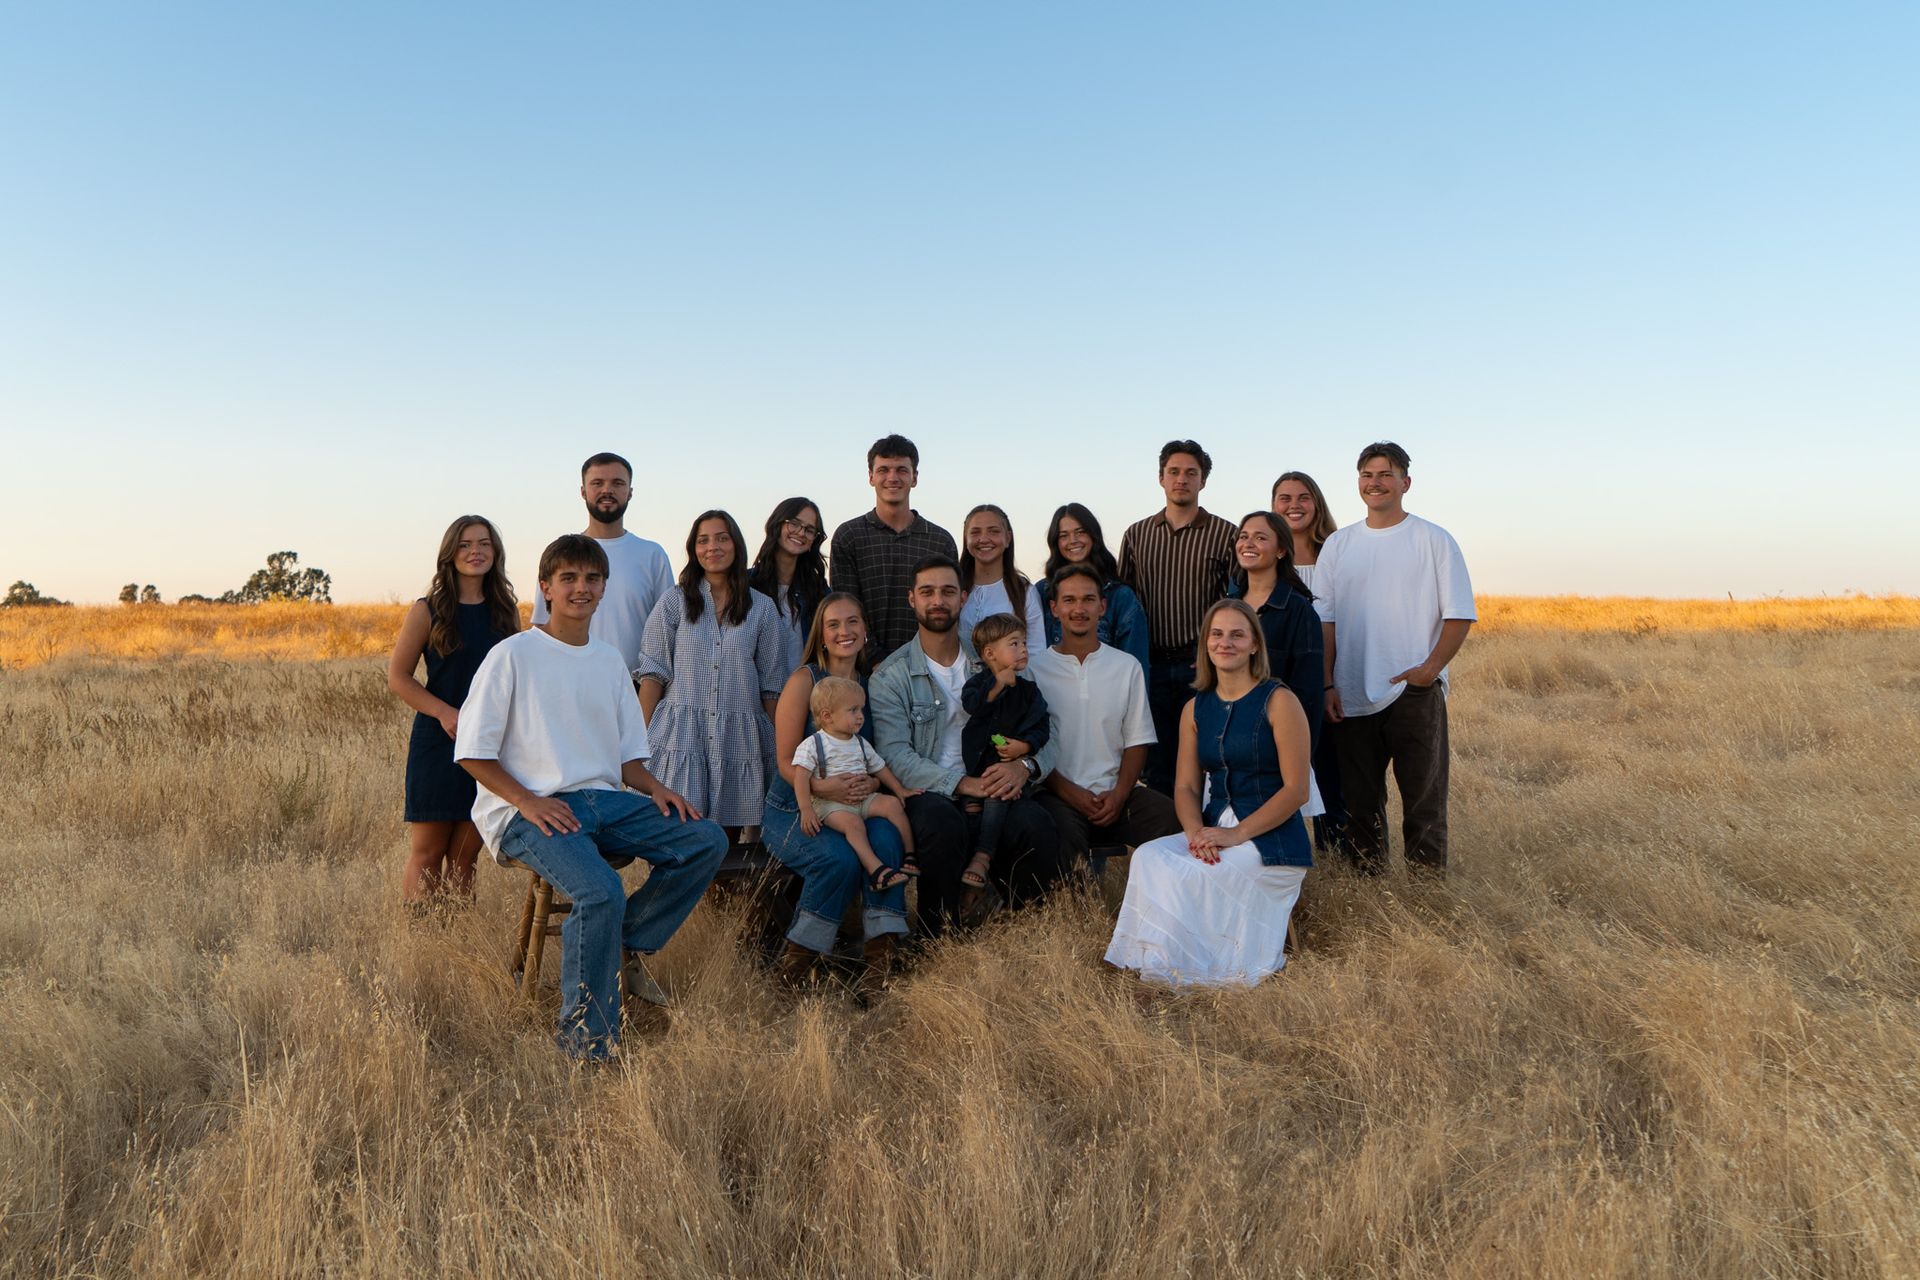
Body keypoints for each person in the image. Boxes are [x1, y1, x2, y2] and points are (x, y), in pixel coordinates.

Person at [455, 534, 727, 1059]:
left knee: (705, 839)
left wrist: (658, 789)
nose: (581, 588)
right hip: (527, 809)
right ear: (546, 588)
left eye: (592, 579)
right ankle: (587, 1042)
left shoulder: (608, 662)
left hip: (603, 802)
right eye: (569, 579)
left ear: (604, 588)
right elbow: (472, 753)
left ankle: (621, 941)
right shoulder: (512, 655)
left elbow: (627, 760)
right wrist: (527, 801)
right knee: (601, 890)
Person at [1105, 599, 1313, 988]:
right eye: (1216, 634)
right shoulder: (1195, 708)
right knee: (1149, 857)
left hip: (1271, 840)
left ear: (1255, 644)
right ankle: (1155, 965)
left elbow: (1297, 790)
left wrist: (1236, 834)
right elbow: (1185, 786)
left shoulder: (1279, 700)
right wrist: (1194, 833)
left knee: (1195, 874)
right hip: (1213, 829)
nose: (1225, 643)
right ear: (1205, 643)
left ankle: (1187, 974)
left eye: (1237, 635)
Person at [868, 555, 1068, 932]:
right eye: (927, 592)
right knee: (942, 824)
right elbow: (895, 754)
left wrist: (1024, 766)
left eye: (948, 592)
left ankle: (1027, 934)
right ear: (912, 599)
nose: (937, 601)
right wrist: (963, 784)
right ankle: (938, 937)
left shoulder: (994, 655)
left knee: (1035, 823)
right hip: (932, 787)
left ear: (963, 598)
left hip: (998, 782)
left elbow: (1048, 729)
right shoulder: (892, 676)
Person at [1316, 442, 1476, 876]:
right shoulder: (1339, 545)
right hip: (1351, 694)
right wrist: (1329, 683)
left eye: (1386, 474)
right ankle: (1372, 895)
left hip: (1413, 693)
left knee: (1424, 804)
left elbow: (1459, 614)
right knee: (1360, 806)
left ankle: (1427, 896)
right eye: (1367, 475)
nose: (1375, 483)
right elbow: (1326, 621)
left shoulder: (1434, 540)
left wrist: (1428, 672)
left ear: (1405, 482)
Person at [761, 593, 911, 995]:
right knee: (839, 859)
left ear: (865, 630)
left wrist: (873, 784)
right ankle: (796, 968)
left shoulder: (873, 686)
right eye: (833, 625)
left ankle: (878, 964)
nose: (844, 631)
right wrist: (821, 786)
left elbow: (875, 758)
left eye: (852, 622)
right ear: (822, 636)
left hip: (856, 806)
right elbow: (784, 761)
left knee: (886, 839)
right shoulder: (804, 681)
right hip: (796, 808)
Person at [387, 515, 520, 905]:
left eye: (484, 543)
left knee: (465, 856)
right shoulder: (427, 610)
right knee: (428, 853)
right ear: (450, 553)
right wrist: (445, 713)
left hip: (487, 745)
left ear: (495, 552)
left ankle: (459, 935)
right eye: (465, 544)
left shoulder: (506, 612)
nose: (475, 551)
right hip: (438, 739)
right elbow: (398, 677)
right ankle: (419, 933)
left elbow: (516, 678)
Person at [637, 510, 787, 831]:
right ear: (694, 549)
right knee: (677, 832)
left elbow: (771, 687)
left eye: (722, 538)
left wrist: (779, 751)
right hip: (681, 738)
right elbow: (653, 674)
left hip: (738, 740)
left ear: (736, 545)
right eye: (703, 540)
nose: (712, 547)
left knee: (727, 841)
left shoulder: (762, 608)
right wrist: (635, 743)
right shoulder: (674, 602)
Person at [1029, 563, 1179, 872]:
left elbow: (1137, 740)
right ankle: (1075, 904)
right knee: (1060, 837)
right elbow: (1033, 747)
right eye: (1069, 600)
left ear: (1102, 606)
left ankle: (1158, 899)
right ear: (1054, 608)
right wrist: (1071, 794)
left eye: (1088, 599)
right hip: (1057, 795)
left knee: (1176, 822)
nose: (1079, 609)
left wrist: (1119, 794)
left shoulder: (1126, 667)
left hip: (1116, 794)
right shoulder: (1034, 670)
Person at [1117, 440, 1240, 795]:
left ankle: (1202, 828)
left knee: (1205, 758)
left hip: (1199, 666)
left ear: (1203, 481)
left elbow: (1235, 604)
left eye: (1191, 473)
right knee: (1156, 764)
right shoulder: (1137, 535)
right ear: (1161, 478)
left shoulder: (1225, 534)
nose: (1181, 479)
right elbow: (1124, 603)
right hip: (1150, 665)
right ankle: (1163, 828)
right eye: (1174, 472)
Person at [531, 452, 675, 679]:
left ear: (630, 492)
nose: (607, 490)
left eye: (617, 483)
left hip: (636, 686)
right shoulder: (561, 554)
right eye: (597, 483)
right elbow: (542, 627)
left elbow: (667, 632)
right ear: (583, 491)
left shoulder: (652, 555)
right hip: (568, 680)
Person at [828, 435, 958, 659]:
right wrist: (875, 660)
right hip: (863, 666)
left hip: (927, 664)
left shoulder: (940, 541)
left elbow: (948, 610)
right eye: (883, 470)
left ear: (914, 478)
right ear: (871, 477)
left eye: (901, 470)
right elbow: (845, 610)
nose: (892, 477)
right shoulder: (849, 536)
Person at [1271, 471, 1347, 853]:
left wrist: (1330, 681)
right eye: (1284, 498)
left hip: (1330, 679)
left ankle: (1337, 854)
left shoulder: (1338, 553)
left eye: (1303, 497)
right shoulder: (1267, 557)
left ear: (1317, 503)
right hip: (1283, 680)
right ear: (1273, 506)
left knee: (1333, 772)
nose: (1294, 506)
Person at [790, 675, 920, 892]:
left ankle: (910, 856)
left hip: (863, 799)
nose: (860, 716)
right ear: (827, 716)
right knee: (854, 824)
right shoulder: (813, 744)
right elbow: (800, 777)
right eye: (853, 710)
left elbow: (879, 767)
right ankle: (877, 871)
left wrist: (899, 789)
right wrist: (806, 809)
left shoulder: (860, 742)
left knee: (892, 805)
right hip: (831, 805)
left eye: (861, 709)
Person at [958, 613, 1051, 895]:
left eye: (1024, 643)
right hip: (977, 768)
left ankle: (983, 858)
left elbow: (1042, 727)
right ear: (990, 654)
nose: (1023, 649)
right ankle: (974, 891)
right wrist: (999, 683)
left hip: (1008, 773)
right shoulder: (977, 684)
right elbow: (973, 705)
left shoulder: (1029, 692)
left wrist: (1024, 747)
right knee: (972, 811)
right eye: (1014, 643)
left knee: (997, 795)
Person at [1036, 502, 1150, 675]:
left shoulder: (1120, 596)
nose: (1073, 540)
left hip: (1107, 687)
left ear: (1093, 535)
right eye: (1064, 535)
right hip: (1052, 688)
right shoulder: (1042, 592)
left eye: (1080, 532)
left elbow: (1136, 667)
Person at [747, 496, 829, 681]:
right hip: (755, 691)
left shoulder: (818, 590)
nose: (801, 533)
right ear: (777, 525)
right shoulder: (746, 585)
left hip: (807, 691)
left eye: (809, 530)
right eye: (794, 524)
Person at [956, 503, 1047, 649]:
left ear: (1008, 538)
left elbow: (1036, 650)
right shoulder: (952, 588)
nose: (984, 539)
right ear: (966, 539)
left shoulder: (1024, 592)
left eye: (994, 531)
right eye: (975, 532)